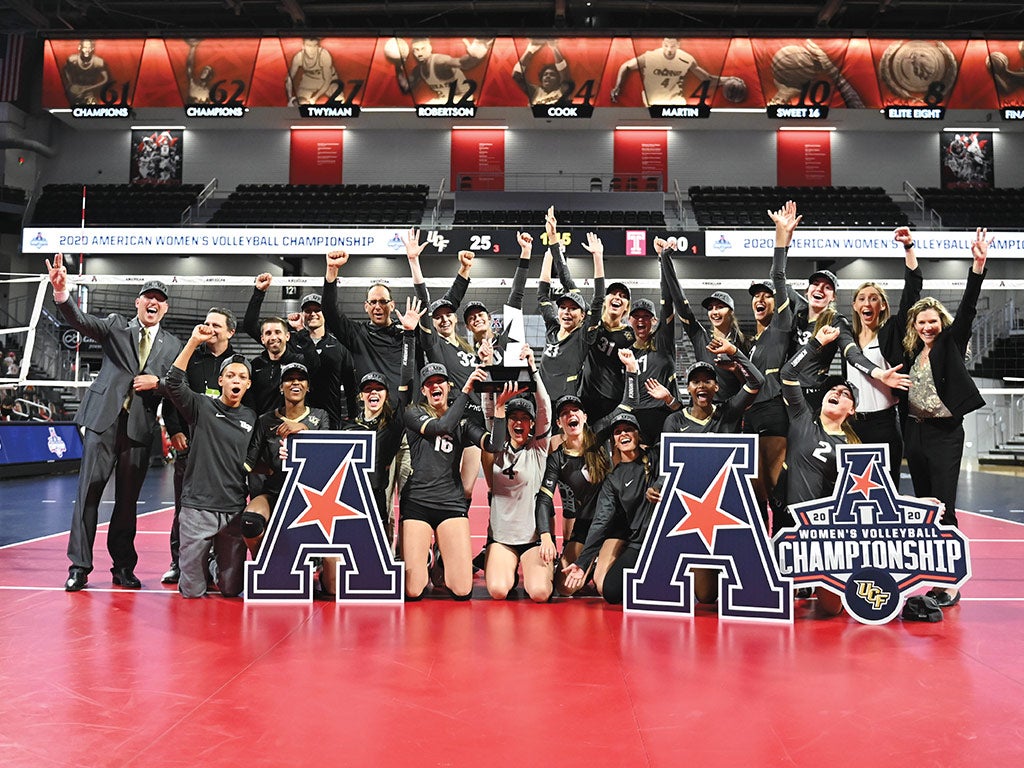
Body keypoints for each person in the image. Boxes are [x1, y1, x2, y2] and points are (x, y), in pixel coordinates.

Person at [47, 254, 183, 592]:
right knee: (88, 493)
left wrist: (158, 384)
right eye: (149, 297)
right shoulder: (115, 325)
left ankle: (123, 567)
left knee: (127, 502)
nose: (154, 302)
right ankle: (79, 566)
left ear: (165, 309)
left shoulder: (174, 345)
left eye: (161, 300)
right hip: (103, 422)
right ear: (138, 302)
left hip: (138, 429)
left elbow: (176, 386)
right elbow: (79, 320)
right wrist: (62, 293)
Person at [902, 228, 990, 608]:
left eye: (932, 321)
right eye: (920, 323)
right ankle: (934, 576)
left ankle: (951, 583)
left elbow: (969, 306)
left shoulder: (951, 343)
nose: (927, 327)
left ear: (941, 321)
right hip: (914, 433)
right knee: (924, 508)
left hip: (944, 433)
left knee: (943, 508)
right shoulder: (911, 355)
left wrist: (978, 265)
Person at [166, 326, 256, 598]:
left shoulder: (252, 418)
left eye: (242, 376)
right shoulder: (203, 407)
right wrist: (193, 341)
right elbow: (173, 383)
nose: (236, 380)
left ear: (248, 384)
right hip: (197, 509)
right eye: (230, 375)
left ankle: (216, 562)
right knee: (191, 591)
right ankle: (200, 563)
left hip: (233, 510)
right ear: (221, 381)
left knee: (231, 590)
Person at [779, 326, 861, 615]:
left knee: (831, 609)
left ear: (851, 410)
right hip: (790, 527)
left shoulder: (855, 446)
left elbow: (869, 495)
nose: (837, 391)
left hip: (826, 533)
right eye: (833, 389)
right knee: (781, 600)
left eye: (845, 393)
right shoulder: (802, 419)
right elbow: (788, 374)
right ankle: (800, 578)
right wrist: (815, 343)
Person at [160, 307, 239, 585]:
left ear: (230, 331)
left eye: (216, 325)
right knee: (183, 506)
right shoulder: (190, 359)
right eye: (206, 322)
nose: (210, 328)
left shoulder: (238, 366)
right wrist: (175, 431)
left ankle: (218, 563)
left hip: (224, 454)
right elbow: (171, 395)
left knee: (225, 508)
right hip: (191, 448)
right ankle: (177, 564)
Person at [400, 359, 489, 601]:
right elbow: (441, 426)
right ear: (423, 391)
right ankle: (424, 557)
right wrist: (467, 391)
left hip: (450, 504)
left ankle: (441, 557)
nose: (434, 386)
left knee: (462, 590)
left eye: (439, 382)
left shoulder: (463, 422)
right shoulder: (413, 413)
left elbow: (492, 444)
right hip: (417, 503)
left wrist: (497, 412)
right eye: (429, 384)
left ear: (448, 387)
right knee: (413, 590)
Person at [840, 227, 923, 483]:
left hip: (884, 423)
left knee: (887, 490)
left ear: (883, 305)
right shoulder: (847, 339)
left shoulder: (891, 331)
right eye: (862, 298)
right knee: (852, 492)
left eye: (874, 298)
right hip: (851, 423)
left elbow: (912, 290)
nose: (868, 303)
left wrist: (909, 247)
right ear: (855, 305)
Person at [561, 413, 662, 605]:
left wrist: (659, 484)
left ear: (638, 434)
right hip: (639, 543)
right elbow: (601, 521)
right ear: (614, 441)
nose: (623, 434)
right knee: (611, 592)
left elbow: (674, 466)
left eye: (628, 429)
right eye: (617, 432)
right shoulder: (613, 479)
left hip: (666, 538)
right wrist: (582, 563)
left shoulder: (656, 456)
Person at [480, 346, 553, 602]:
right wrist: (488, 367)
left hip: (532, 536)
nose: (518, 422)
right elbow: (490, 411)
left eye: (524, 418)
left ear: (532, 423)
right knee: (498, 591)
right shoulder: (496, 447)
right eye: (513, 417)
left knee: (540, 593)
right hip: (502, 537)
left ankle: (533, 569)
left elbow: (544, 408)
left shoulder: (538, 449)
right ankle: (503, 567)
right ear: (507, 421)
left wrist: (534, 369)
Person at [242, 362, 329, 561]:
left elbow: (327, 455)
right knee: (250, 522)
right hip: (275, 492)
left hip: (311, 495)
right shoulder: (265, 420)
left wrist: (302, 429)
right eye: (289, 379)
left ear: (308, 386)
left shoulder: (320, 416)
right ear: (281, 387)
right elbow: (251, 461)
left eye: (301, 379)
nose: (295, 383)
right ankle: (263, 563)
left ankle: (316, 562)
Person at [536, 394, 618, 594]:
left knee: (603, 587)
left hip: (612, 523)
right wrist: (546, 536)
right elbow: (544, 499)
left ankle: (601, 562)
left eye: (575, 411)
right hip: (584, 524)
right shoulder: (557, 459)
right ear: (559, 423)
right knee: (564, 587)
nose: (570, 414)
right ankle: (589, 563)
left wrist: (632, 372)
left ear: (585, 416)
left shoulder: (600, 439)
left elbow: (626, 406)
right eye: (564, 413)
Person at [287, 292, 356, 428]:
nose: (313, 314)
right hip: (297, 418)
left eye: (318, 310)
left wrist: (353, 418)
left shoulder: (339, 345)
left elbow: (351, 387)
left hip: (331, 417)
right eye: (308, 310)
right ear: (302, 314)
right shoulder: (292, 343)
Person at [662, 341, 764, 435]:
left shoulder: (728, 412)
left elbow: (757, 382)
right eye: (696, 382)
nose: (701, 386)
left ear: (716, 387)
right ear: (688, 388)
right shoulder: (675, 420)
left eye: (707, 381)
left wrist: (734, 352)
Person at [610, 37, 735, 106]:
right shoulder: (650, 56)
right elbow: (626, 66)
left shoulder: (686, 59)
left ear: (678, 45)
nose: (669, 49)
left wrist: (729, 79)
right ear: (662, 44)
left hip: (675, 101)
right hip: (652, 101)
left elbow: (706, 79)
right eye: (666, 45)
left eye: (672, 46)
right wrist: (617, 86)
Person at [395, 37, 491, 104]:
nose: (420, 53)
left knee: (427, 106)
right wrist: (397, 65)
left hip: (463, 100)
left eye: (423, 48)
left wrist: (474, 57)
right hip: (446, 102)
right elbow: (406, 88)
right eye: (416, 50)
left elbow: (462, 64)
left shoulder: (439, 61)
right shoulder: (418, 70)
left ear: (430, 48)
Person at [512, 39, 574, 105]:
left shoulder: (562, 91)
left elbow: (564, 73)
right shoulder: (536, 92)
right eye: (545, 74)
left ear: (558, 79)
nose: (548, 76)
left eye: (552, 74)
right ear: (541, 79)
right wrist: (530, 49)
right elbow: (516, 75)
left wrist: (554, 48)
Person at [285, 37, 337, 105]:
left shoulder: (324, 55)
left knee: (340, 100)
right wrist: (290, 98)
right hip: (309, 79)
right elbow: (289, 78)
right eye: (309, 46)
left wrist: (315, 98)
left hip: (328, 79)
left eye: (314, 46)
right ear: (303, 46)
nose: (312, 49)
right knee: (299, 103)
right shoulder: (298, 57)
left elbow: (327, 80)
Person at [61, 39, 111, 105]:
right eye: (85, 47)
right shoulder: (72, 59)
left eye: (89, 48)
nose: (87, 50)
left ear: (92, 48)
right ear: (79, 47)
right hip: (74, 90)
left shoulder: (98, 62)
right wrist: (70, 83)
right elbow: (65, 70)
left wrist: (89, 89)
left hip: (90, 92)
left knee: (94, 109)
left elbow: (105, 79)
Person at [185, 39, 215, 105]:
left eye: (206, 72)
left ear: (209, 76)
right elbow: (189, 67)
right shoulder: (193, 85)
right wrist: (192, 49)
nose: (203, 72)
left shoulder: (208, 91)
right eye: (204, 71)